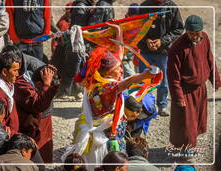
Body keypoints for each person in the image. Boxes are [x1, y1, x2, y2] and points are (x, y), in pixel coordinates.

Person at [71, 23, 158, 167]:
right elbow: (126, 82)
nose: (121, 71)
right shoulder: (105, 89)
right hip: (105, 141)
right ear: (108, 72)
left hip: (109, 133)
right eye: (118, 69)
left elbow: (120, 53)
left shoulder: (100, 79)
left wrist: (118, 31)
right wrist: (145, 75)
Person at [167, 15, 221, 152]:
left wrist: (215, 80)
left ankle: (190, 144)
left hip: (200, 89)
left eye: (198, 33)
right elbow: (173, 76)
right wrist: (178, 97)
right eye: (192, 34)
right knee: (186, 123)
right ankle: (186, 149)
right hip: (185, 91)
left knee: (197, 120)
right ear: (186, 31)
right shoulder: (177, 48)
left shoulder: (205, 38)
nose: (195, 37)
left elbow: (210, 59)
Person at [138, 0, 184, 116]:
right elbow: (137, 26)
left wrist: (162, 41)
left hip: (164, 52)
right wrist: (146, 40)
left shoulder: (172, 7)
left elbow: (178, 29)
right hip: (145, 51)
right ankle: (144, 106)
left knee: (163, 81)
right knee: (143, 80)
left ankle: (162, 106)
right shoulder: (144, 6)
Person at [14, 64, 60, 163]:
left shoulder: (40, 76)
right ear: (39, 84)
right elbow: (38, 105)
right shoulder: (23, 86)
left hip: (39, 119)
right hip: (24, 124)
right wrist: (47, 85)